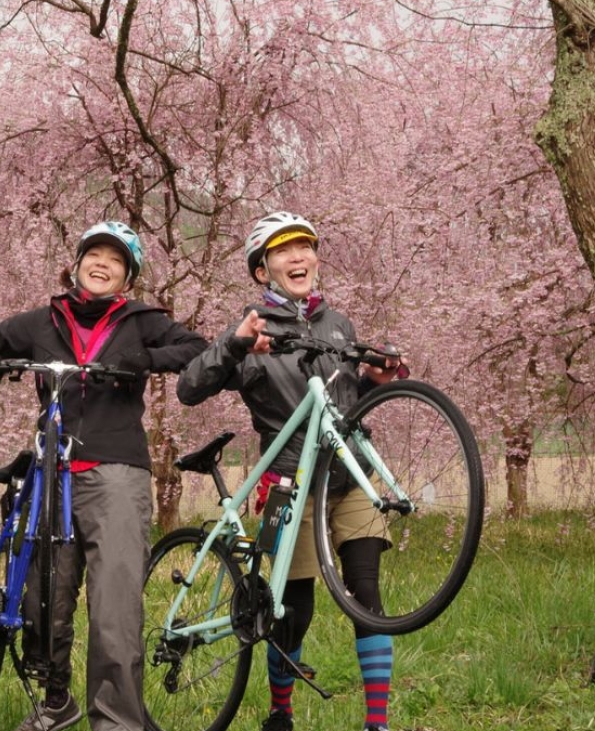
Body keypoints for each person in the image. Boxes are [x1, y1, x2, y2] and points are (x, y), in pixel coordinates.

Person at [0, 221, 208, 731]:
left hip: (116, 472)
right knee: (42, 600)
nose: (102, 264)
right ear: (76, 263)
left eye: (115, 260)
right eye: (94, 254)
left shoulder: (141, 320)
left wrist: (146, 360)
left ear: (127, 277)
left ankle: (115, 721)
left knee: (113, 609)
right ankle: (55, 700)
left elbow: (196, 347)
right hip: (52, 473)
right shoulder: (45, 320)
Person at [176, 211, 405, 731]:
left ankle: (377, 724)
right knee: (293, 608)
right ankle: (280, 713)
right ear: (263, 270)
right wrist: (234, 344)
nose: (297, 257)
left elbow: (344, 399)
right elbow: (189, 387)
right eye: (283, 251)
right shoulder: (252, 328)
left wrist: (372, 377)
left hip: (348, 476)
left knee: (366, 594)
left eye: (304, 247)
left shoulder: (337, 323)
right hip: (288, 482)